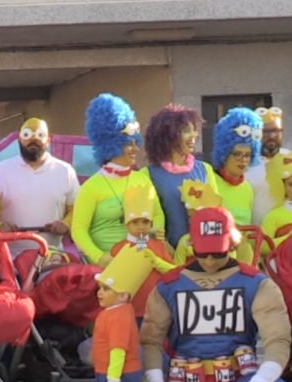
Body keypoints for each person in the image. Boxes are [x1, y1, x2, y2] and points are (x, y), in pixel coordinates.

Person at [141, 207, 292, 382]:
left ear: (233, 244)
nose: (211, 262)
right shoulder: (169, 286)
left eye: (219, 253)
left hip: (240, 379)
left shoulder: (257, 284)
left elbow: (278, 339)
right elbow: (150, 341)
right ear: (191, 245)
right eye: (203, 254)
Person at [72, 93, 164, 266]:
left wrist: (150, 238)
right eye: (129, 143)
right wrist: (100, 257)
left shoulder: (142, 179)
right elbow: (78, 229)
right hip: (108, 268)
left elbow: (157, 214)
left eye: (135, 142)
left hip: (141, 260)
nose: (136, 149)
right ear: (110, 144)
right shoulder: (91, 186)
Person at [90, 247, 152, 382]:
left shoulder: (116, 317)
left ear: (123, 294)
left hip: (119, 373)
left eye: (106, 288)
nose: (100, 292)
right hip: (121, 372)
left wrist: (113, 380)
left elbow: (118, 351)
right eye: (100, 287)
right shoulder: (119, 313)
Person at [0, 118, 80, 259]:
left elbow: (77, 207)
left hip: (52, 258)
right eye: (27, 135)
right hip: (8, 260)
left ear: (48, 140)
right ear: (19, 140)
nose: (33, 140)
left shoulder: (65, 171)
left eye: (39, 135)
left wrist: (66, 223)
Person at [141, 104, 218, 253]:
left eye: (194, 130)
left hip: (205, 256)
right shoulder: (147, 174)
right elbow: (141, 227)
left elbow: (217, 212)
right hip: (167, 256)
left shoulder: (205, 169)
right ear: (168, 136)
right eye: (186, 131)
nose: (194, 135)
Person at [109, 185, 176, 322]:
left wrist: (157, 261)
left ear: (151, 224)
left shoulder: (158, 245)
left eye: (145, 222)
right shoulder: (119, 248)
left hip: (158, 306)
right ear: (127, 225)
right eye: (135, 222)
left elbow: (173, 271)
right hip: (131, 307)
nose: (141, 226)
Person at [211, 108, 264, 264]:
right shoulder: (211, 180)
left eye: (247, 155)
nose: (243, 160)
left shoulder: (247, 187)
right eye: (237, 154)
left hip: (244, 256)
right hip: (217, 255)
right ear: (224, 153)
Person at [248, 106, 292, 225]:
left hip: (288, 234)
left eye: (277, 131)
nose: (272, 136)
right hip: (256, 237)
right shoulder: (245, 162)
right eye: (266, 131)